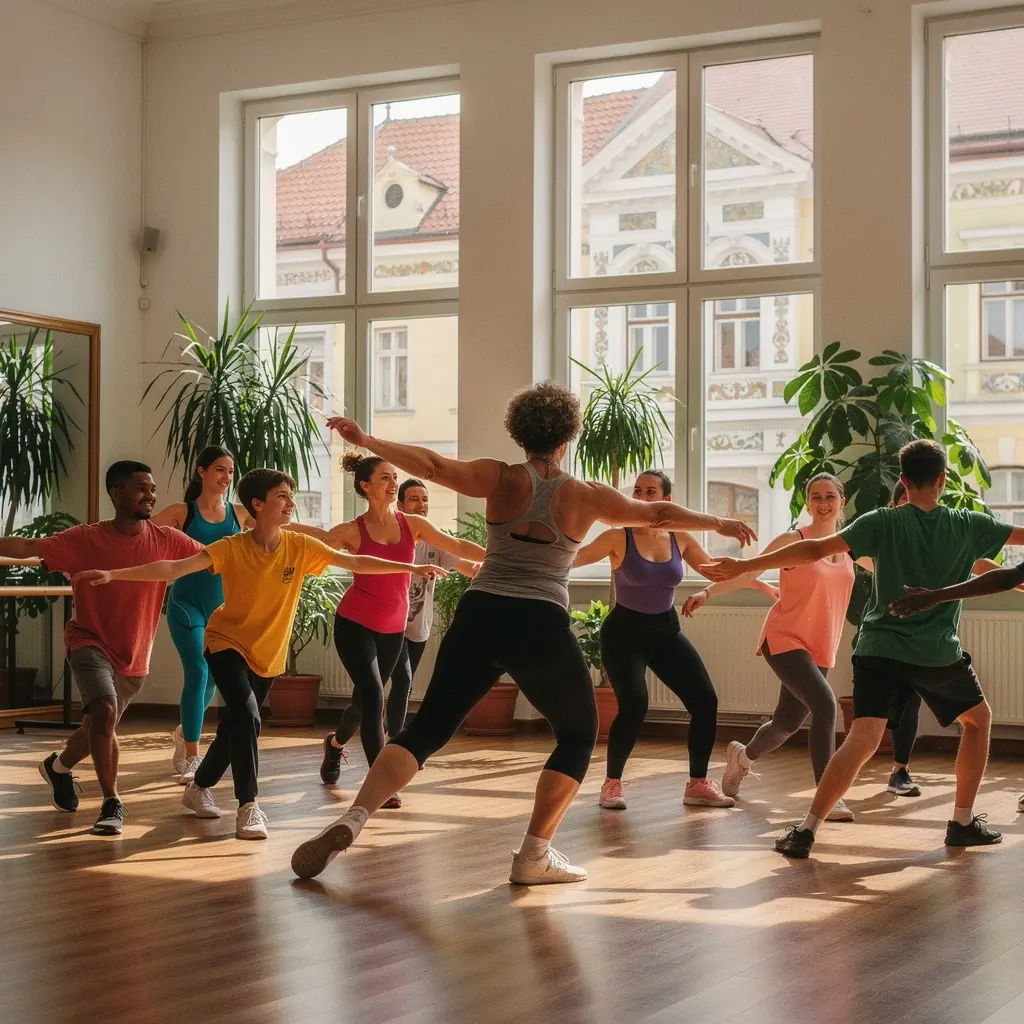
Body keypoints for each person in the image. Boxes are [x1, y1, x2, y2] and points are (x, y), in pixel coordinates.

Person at [290, 380, 756, 884]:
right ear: (568, 436)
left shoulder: (501, 477)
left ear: (520, 432)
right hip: (539, 621)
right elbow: (658, 514)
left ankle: (354, 818)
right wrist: (720, 521)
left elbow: (432, 466)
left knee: (426, 731)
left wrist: (368, 440)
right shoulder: (584, 494)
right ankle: (533, 855)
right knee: (577, 735)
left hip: (481, 611)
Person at [73, 468, 447, 840]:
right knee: (248, 714)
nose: (290, 503)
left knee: (234, 727)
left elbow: (357, 562)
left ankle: (198, 787)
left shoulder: (300, 547)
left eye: (291, 496)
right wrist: (115, 574)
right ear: (258, 503)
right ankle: (248, 805)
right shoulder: (232, 547)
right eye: (282, 496)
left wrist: (411, 566)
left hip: (267, 655)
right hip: (225, 643)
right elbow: (174, 567)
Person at [702, 439, 1024, 857]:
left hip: (877, 649)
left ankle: (806, 830)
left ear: (903, 482)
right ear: (943, 480)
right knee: (978, 722)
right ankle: (961, 822)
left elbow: (816, 548)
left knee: (862, 738)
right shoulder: (970, 523)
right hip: (935, 653)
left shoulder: (881, 522)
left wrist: (744, 564)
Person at [0, 462, 204, 835]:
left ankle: (58, 767)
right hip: (88, 640)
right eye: (141, 488)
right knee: (106, 710)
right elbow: (29, 547)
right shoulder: (85, 539)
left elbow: (214, 558)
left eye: (153, 489)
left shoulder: (167, 539)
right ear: (116, 493)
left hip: (134, 654)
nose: (150, 495)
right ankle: (112, 802)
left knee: (98, 724)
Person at [291, 456, 483, 805]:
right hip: (354, 624)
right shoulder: (353, 530)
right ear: (365, 486)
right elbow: (319, 540)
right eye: (385, 477)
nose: (393, 483)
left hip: (393, 629)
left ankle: (334, 744)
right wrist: (273, 526)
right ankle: (381, 784)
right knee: (375, 695)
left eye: (395, 477)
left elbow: (456, 546)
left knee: (363, 705)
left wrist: (497, 557)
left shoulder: (412, 524)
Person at [574, 469, 767, 811]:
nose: (642, 497)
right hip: (624, 635)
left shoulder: (681, 537)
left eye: (650, 492)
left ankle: (697, 784)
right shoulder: (618, 537)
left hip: (665, 631)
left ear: (667, 500)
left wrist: (759, 579)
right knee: (634, 704)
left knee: (705, 702)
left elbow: (716, 570)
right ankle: (612, 784)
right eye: (637, 491)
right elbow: (574, 558)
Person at [685, 472, 859, 822]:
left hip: (820, 646)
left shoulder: (849, 547)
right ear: (807, 503)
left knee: (786, 723)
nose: (823, 503)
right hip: (784, 638)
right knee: (825, 706)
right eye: (815, 496)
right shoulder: (793, 540)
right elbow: (748, 573)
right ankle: (828, 796)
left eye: (830, 497)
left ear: (841, 502)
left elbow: (891, 569)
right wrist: (707, 592)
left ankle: (743, 758)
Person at [883, 480, 1022, 798]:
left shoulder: (946, 535)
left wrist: (1016, 581)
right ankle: (899, 770)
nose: (912, 505)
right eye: (904, 500)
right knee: (891, 713)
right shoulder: (887, 538)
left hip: (933, 638)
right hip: (892, 638)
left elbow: (984, 568)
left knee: (973, 717)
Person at [150, 445, 253, 783]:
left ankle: (185, 731)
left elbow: (278, 527)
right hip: (185, 604)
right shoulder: (183, 512)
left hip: (223, 610)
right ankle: (193, 754)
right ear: (201, 472)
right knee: (197, 668)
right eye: (219, 470)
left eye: (230, 471)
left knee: (212, 677)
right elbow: (141, 535)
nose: (226, 477)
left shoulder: (240, 514)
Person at [389, 478, 480, 739]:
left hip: (419, 626)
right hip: (389, 624)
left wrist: (491, 568)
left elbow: (467, 566)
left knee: (403, 685)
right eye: (414, 499)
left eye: (425, 499)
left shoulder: (435, 540)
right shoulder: (391, 538)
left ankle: (343, 741)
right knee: (402, 680)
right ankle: (395, 742)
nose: (421, 505)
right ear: (400, 505)